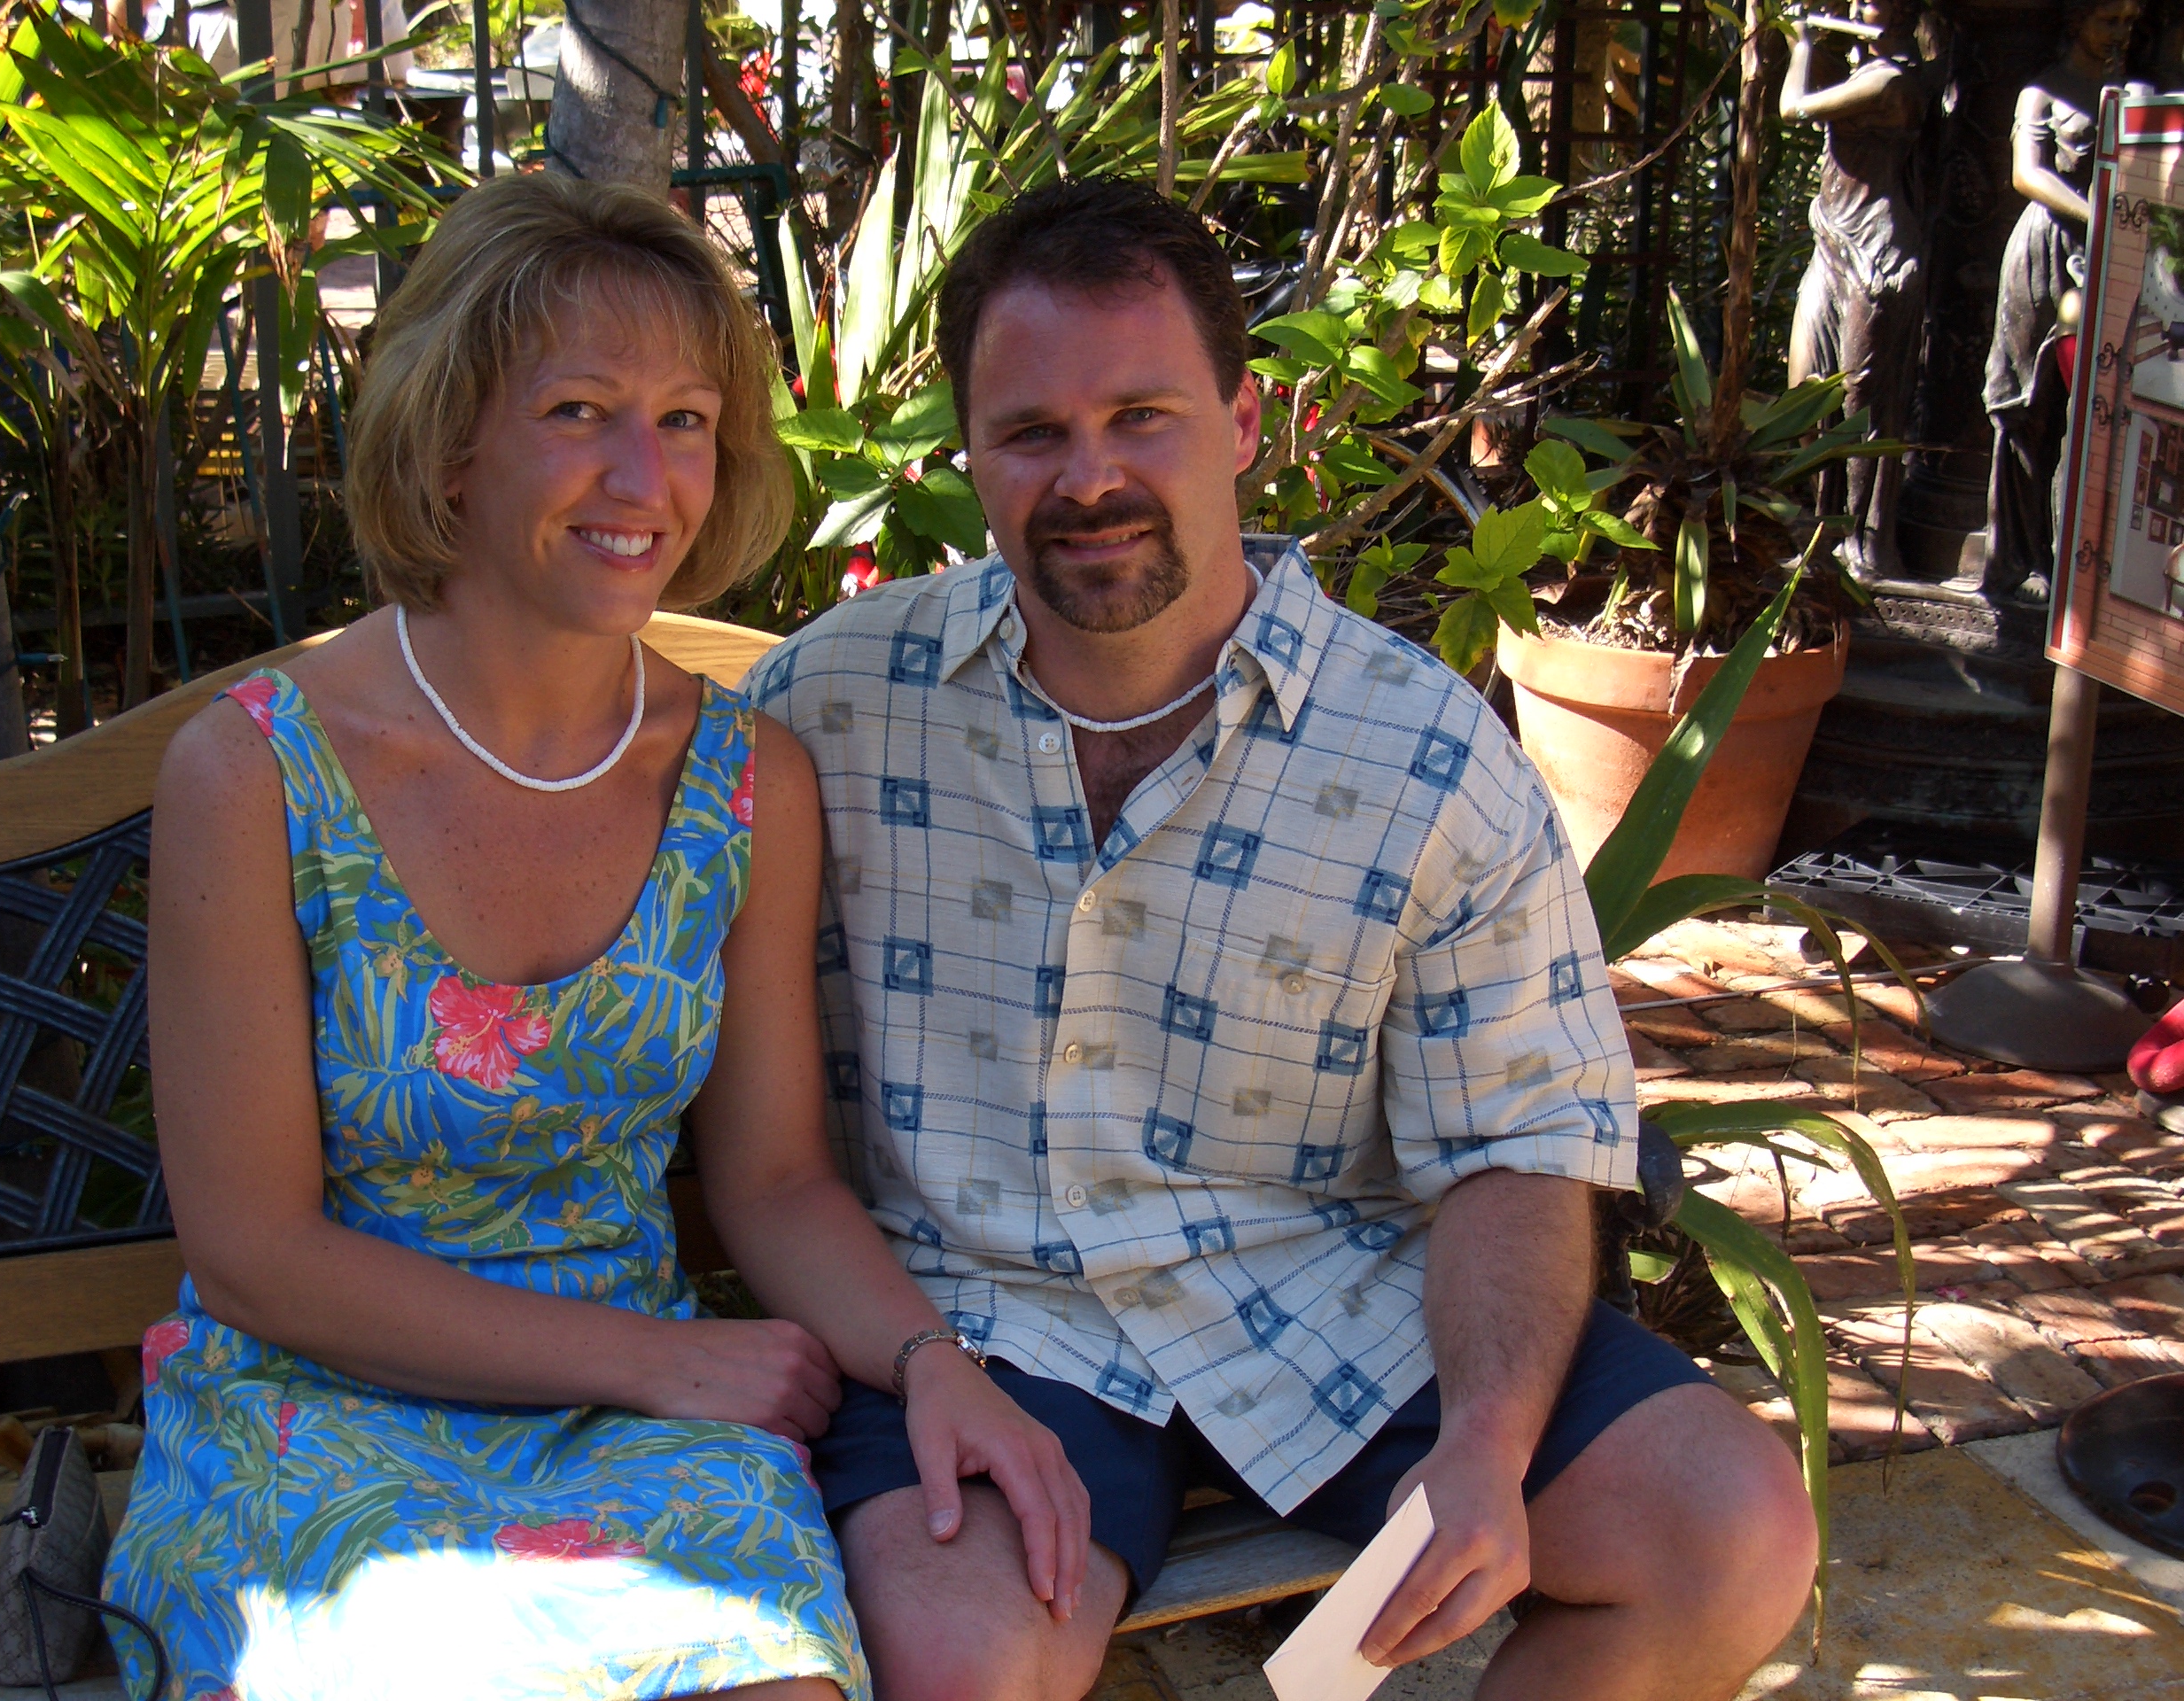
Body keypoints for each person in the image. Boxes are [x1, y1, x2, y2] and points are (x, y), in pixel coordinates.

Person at [747, 177, 1822, 1700]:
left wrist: (1485, 1444)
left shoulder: (1424, 758)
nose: (1090, 478)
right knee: (957, 1661)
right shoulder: (828, 707)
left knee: (1729, 1536)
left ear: (1248, 421)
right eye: (1032, 433)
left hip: (1340, 1300)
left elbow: (1519, 1140)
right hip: (987, 1322)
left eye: (1143, 416)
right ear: (967, 451)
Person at [102, 173, 1086, 1701]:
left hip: (639, 1434)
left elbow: (773, 1182)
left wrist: (931, 1366)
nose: (645, 476)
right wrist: (659, 1360)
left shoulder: (743, 784)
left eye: (686, 419)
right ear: (450, 445)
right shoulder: (257, 776)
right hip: (311, 1407)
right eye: (579, 411)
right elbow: (254, 1258)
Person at [1977, 0, 2147, 604]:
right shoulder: (2043, 92)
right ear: (2077, 21)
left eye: (2129, 22)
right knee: (2029, 408)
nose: (2120, 33)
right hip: (2046, 252)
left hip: (2109, 258)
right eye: (2109, 20)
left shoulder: (2135, 95)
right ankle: (2020, 559)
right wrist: (2099, 216)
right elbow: (2028, 174)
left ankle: (2081, 558)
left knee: (2099, 410)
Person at [1781, 0, 1933, 581]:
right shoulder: (1863, 71)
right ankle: (1821, 530)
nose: (1853, 7)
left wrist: (1801, 41)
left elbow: (1793, 107)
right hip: (1833, 245)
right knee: (1807, 388)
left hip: (1878, 253)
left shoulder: (1890, 82)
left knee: (1862, 401)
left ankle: (1862, 544)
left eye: (1868, 1)